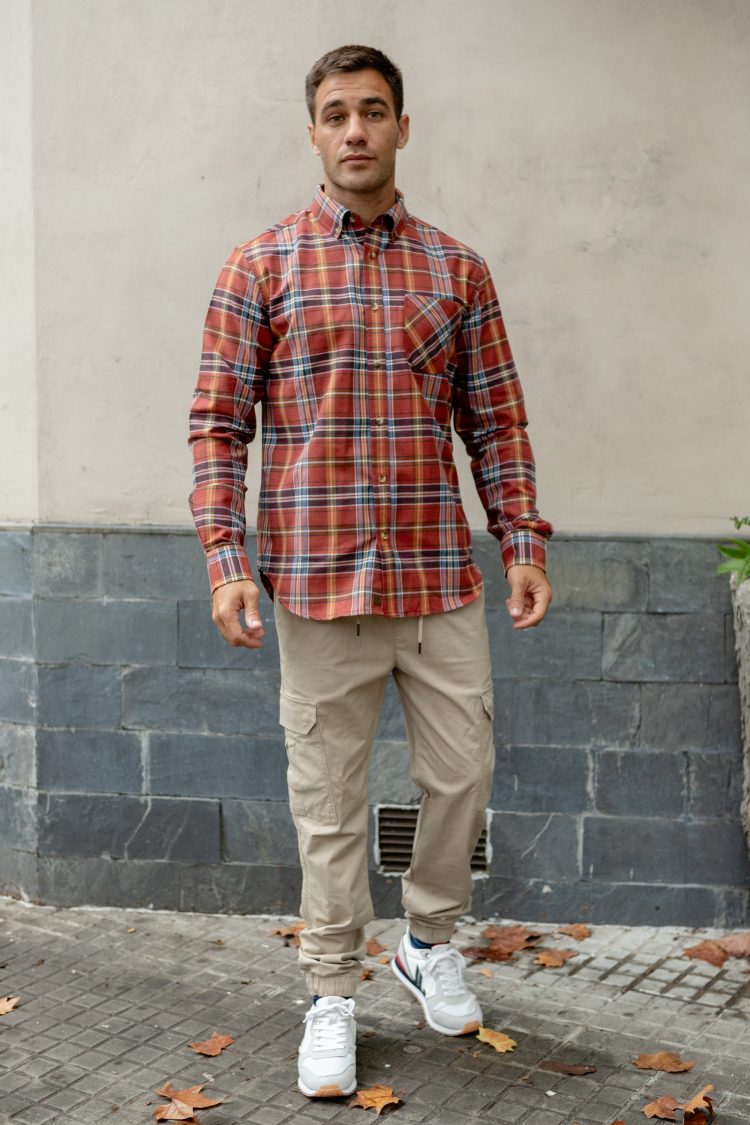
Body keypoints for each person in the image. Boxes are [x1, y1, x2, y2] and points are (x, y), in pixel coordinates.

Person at [188, 44, 553, 1099]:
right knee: (329, 801)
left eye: (375, 111)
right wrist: (225, 558)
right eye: (338, 113)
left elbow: (497, 423)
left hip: (438, 579)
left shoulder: (457, 270)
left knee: (464, 775)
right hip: (316, 585)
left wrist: (522, 542)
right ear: (313, 132)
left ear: (402, 127)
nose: (357, 129)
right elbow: (218, 427)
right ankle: (332, 990)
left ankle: (427, 941)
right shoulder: (260, 267)